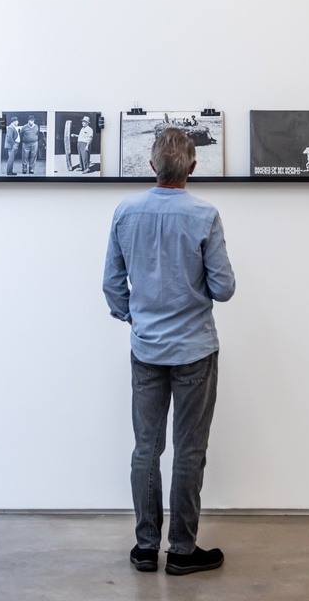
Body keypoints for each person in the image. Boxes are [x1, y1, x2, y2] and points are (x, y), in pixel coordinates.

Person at [103, 126, 236, 576]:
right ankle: (181, 550)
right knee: (189, 449)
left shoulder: (126, 211)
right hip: (194, 348)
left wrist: (131, 315)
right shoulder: (204, 215)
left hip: (146, 349)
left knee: (146, 448)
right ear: (193, 168)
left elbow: (112, 284)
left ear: (152, 166)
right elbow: (224, 287)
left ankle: (144, 548)